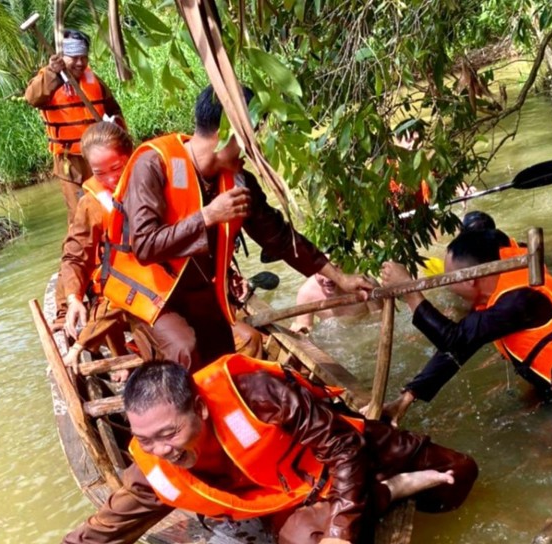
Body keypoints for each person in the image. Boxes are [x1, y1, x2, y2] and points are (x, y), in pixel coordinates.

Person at [0, 354, 478, 544]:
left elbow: (343, 445)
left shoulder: (255, 394)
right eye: (147, 441)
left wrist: (341, 531)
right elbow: (101, 536)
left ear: (201, 411)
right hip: (288, 498)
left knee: (461, 475)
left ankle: (384, 492)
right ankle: (385, 495)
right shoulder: (155, 471)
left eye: (170, 433)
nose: (163, 451)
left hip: (343, 454)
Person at [99, 85, 374, 371]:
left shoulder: (239, 181)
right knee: (185, 350)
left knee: (226, 357)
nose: (253, 150)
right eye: (250, 137)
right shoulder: (153, 164)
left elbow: (280, 237)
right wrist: (207, 216)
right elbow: (144, 246)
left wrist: (338, 277)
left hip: (198, 295)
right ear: (227, 133)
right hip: (151, 299)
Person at [380, 228, 552, 424]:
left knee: (546, 451)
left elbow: (454, 339)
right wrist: (407, 398)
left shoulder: (518, 300)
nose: (446, 285)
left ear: (471, 280)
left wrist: (410, 292)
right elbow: (460, 347)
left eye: (449, 278)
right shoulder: (499, 289)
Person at [52, 120, 133, 377]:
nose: (110, 179)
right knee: (87, 290)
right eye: (99, 173)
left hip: (156, 287)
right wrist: (74, 298)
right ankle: (119, 356)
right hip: (115, 293)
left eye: (117, 168)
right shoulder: (92, 204)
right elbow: (75, 254)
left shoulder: (152, 180)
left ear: (131, 156)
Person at [24, 29, 124, 224]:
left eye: (84, 57)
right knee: (81, 213)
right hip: (71, 161)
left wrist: (120, 140)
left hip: (98, 155)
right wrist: (54, 72)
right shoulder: (48, 78)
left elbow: (113, 110)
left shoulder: (92, 79)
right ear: (63, 57)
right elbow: (32, 97)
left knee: (110, 204)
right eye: (74, 57)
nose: (80, 63)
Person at [290, 273, 382, 334]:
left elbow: (380, 321)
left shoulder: (365, 285)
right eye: (321, 273)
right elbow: (305, 330)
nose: (328, 279)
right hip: (332, 338)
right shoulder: (307, 293)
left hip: (364, 334)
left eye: (335, 267)